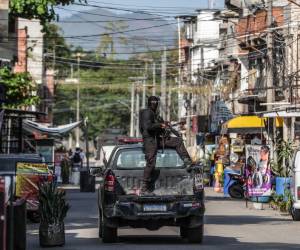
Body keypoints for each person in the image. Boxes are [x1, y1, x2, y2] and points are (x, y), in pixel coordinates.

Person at [139, 96, 194, 195]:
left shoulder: (154, 114)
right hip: (150, 140)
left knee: (177, 141)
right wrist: (160, 125)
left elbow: (157, 126)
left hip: (157, 139)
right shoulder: (147, 112)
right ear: (150, 103)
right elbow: (147, 127)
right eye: (153, 102)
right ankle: (144, 187)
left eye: (156, 102)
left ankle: (187, 162)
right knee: (151, 162)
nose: (155, 104)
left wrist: (165, 126)